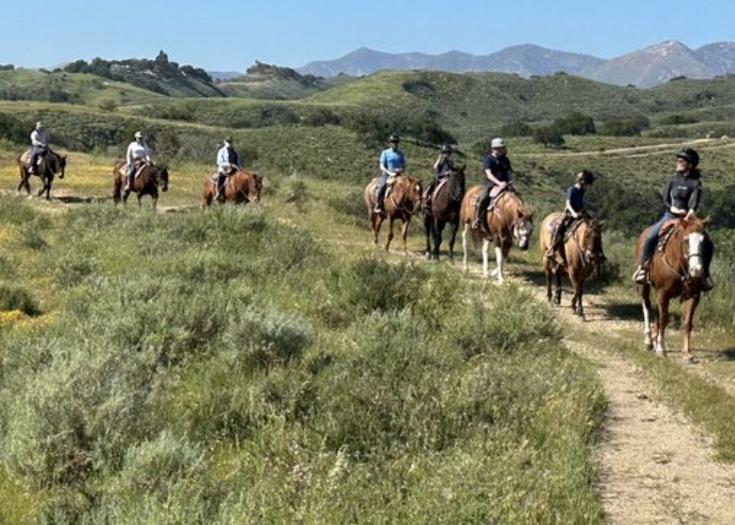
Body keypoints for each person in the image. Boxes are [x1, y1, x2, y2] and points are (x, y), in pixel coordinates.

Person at [632, 148, 713, 290]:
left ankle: (705, 275)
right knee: (651, 236)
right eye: (678, 160)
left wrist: (689, 214)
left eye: (681, 161)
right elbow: (665, 199)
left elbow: (695, 202)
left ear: (690, 165)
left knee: (708, 243)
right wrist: (673, 209)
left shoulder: (695, 183)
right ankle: (644, 268)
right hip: (670, 215)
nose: (678, 163)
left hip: (689, 218)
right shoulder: (672, 180)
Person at [545, 171, 595, 263]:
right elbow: (568, 203)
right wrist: (573, 213)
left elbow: (581, 204)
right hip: (570, 213)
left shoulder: (582, 191)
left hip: (580, 213)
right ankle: (552, 249)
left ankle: (596, 251)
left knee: (593, 228)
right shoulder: (571, 190)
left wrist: (586, 212)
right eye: (587, 185)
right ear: (582, 182)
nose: (588, 187)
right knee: (560, 227)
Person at [473, 137, 513, 230]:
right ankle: (477, 219)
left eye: (502, 148)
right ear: (493, 149)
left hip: (505, 184)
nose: (501, 150)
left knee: (517, 198)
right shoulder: (488, 159)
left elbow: (508, 173)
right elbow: (489, 174)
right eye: (499, 148)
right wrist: (499, 183)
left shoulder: (505, 160)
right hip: (491, 184)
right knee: (483, 198)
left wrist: (510, 182)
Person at [374, 134, 406, 213]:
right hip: (387, 175)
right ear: (390, 143)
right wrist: (389, 172)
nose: (395, 143)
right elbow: (381, 166)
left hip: (398, 175)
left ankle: (407, 207)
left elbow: (404, 166)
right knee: (382, 186)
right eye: (393, 142)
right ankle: (378, 204)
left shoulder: (401, 154)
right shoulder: (385, 153)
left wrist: (400, 170)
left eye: (396, 142)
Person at [423, 144, 455, 211]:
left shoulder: (451, 162)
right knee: (432, 184)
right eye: (445, 152)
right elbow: (435, 167)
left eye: (448, 153)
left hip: (448, 178)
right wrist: (439, 158)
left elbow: (452, 170)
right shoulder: (440, 161)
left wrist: (449, 173)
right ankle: (426, 199)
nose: (446, 154)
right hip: (440, 178)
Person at [215, 137, 242, 201]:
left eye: (230, 142)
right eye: (228, 142)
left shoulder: (235, 152)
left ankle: (243, 195)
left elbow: (239, 161)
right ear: (225, 142)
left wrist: (239, 167)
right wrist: (228, 164)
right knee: (221, 177)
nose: (229, 143)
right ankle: (218, 193)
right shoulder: (221, 151)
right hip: (225, 168)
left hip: (235, 168)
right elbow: (219, 161)